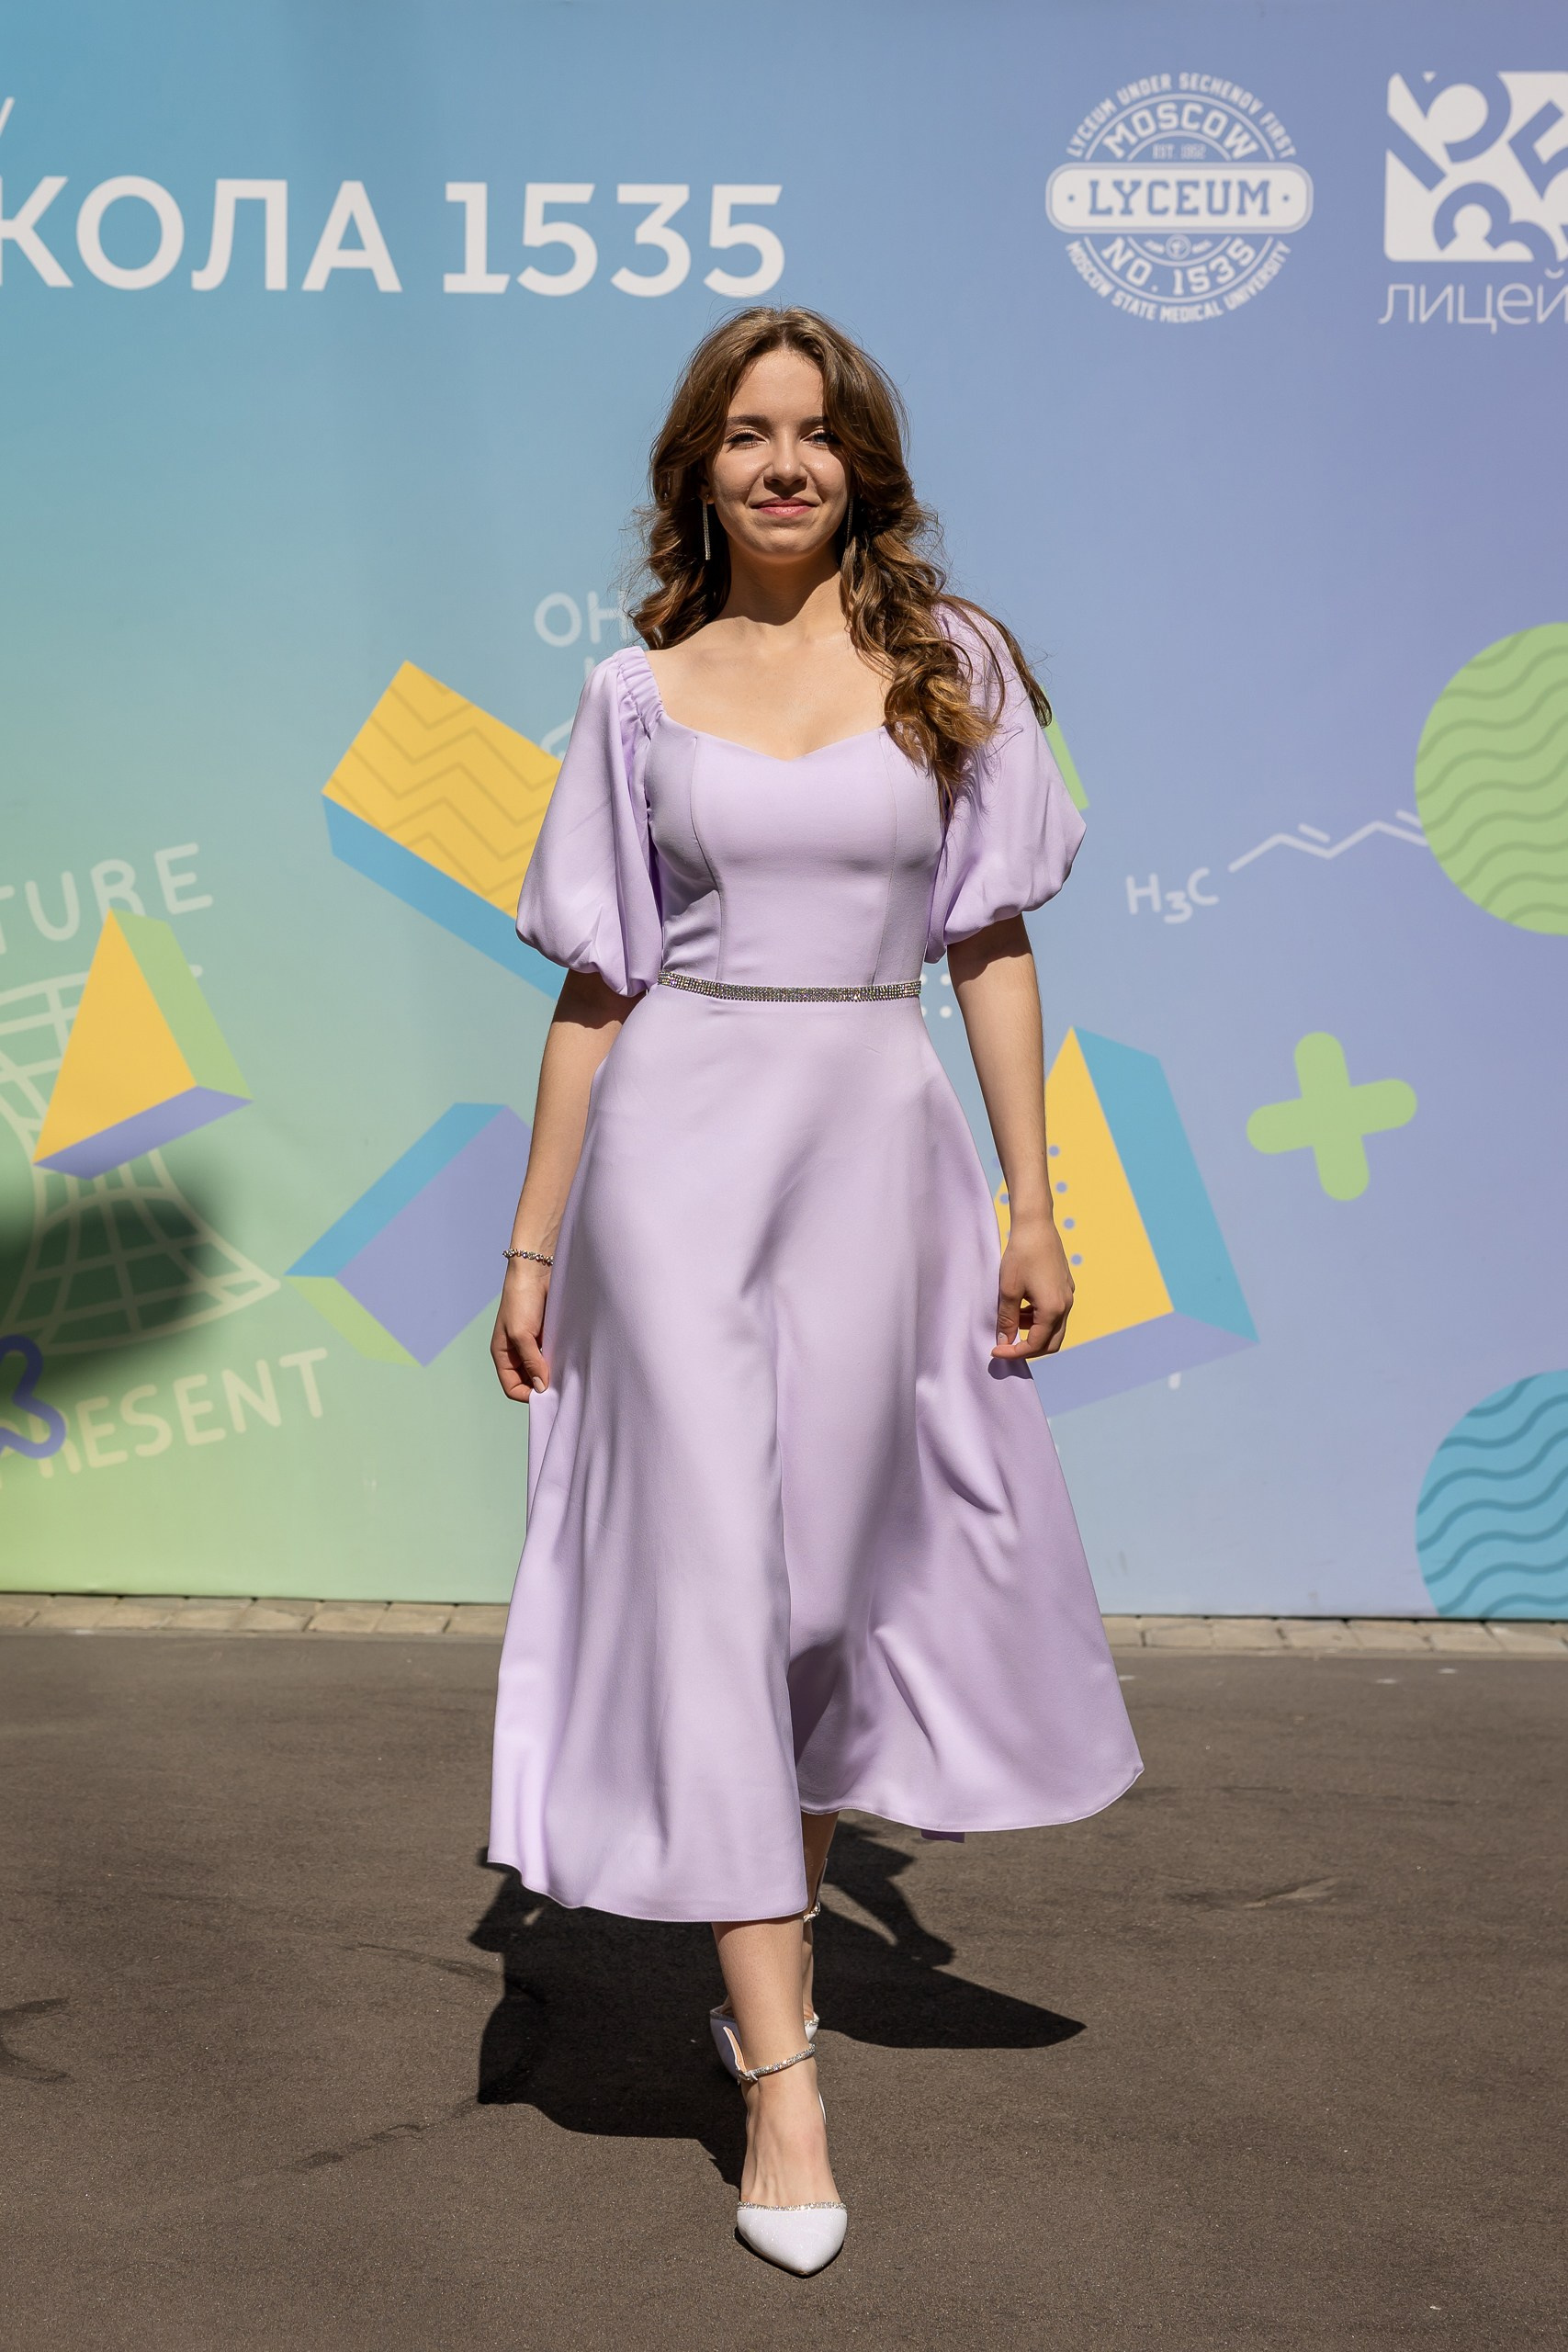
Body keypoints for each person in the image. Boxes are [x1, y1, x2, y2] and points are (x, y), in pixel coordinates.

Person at [487, 305, 1142, 2276]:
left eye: (818, 433)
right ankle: (782, 2074)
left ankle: (753, 1968)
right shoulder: (631, 696)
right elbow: (597, 983)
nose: (784, 463)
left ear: (863, 463)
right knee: (711, 1586)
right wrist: (532, 1242)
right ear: (697, 467)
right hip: (675, 1165)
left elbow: (990, 943)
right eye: (747, 433)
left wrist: (1033, 1205)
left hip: (878, 1149)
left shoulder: (955, 665)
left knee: (830, 1604)